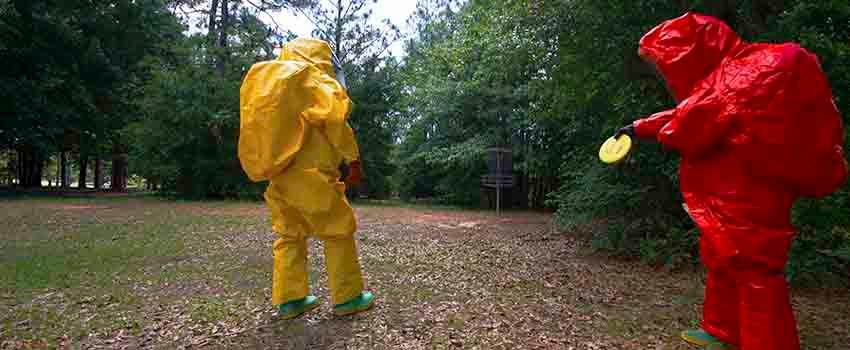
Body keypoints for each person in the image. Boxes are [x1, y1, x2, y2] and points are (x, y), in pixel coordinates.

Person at [615, 12, 847, 350]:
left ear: (693, 51)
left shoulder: (734, 79)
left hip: (747, 197)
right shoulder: (736, 74)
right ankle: (720, 330)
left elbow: (686, 126)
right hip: (734, 194)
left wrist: (644, 129)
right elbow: (693, 111)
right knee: (722, 260)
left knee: (754, 272)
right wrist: (639, 126)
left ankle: (767, 343)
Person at [238, 37, 375, 319]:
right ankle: (348, 298)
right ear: (322, 58)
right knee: (337, 229)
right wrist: (353, 160)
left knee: (289, 235)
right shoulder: (314, 81)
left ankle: (290, 300)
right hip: (313, 176)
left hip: (279, 177)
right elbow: (336, 122)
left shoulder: (272, 86)